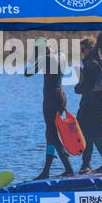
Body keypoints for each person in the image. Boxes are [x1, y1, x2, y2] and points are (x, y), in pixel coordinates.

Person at [25, 37, 73, 179]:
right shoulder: (61, 55)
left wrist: (34, 58)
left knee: (52, 134)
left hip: (51, 99)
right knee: (50, 134)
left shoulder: (46, 59)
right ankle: (46, 171)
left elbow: (27, 73)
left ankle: (68, 168)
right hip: (61, 96)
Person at [75, 35, 102, 174]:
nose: (81, 52)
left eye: (83, 49)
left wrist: (79, 87)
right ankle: (86, 165)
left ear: (90, 49)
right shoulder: (99, 61)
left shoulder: (92, 64)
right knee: (89, 135)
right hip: (95, 103)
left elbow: (84, 87)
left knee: (95, 135)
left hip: (95, 105)